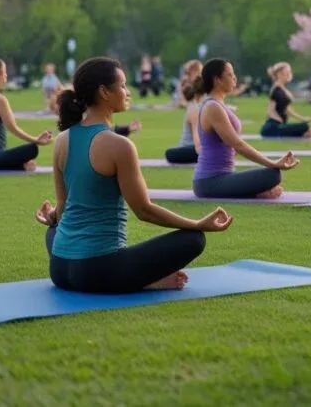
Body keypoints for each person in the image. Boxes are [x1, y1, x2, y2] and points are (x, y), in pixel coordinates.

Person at [34, 56, 233, 294]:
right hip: (97, 271)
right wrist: (197, 224)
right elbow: (144, 210)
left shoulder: (62, 140)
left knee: (55, 230)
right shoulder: (119, 145)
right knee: (194, 239)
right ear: (104, 92)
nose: (127, 92)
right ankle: (143, 280)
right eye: (122, 86)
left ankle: (136, 278)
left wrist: (52, 216)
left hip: (59, 268)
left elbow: (63, 207)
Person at [193, 58, 299, 199]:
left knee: (272, 174)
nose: (235, 78)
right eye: (230, 74)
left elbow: (231, 146)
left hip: (222, 177)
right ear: (217, 79)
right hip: (210, 182)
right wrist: (272, 163)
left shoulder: (218, 105)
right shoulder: (212, 107)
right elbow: (237, 144)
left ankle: (256, 191)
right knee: (272, 174)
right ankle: (257, 193)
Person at [0, 58, 53, 171]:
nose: (6, 76)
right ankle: (20, 165)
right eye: (3, 73)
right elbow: (13, 128)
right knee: (32, 149)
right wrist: (36, 140)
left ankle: (20, 165)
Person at [260, 62, 311, 138]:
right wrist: (279, 120)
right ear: (279, 74)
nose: (290, 75)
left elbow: (287, 110)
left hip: (278, 126)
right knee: (305, 127)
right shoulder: (276, 89)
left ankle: (305, 135)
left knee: (308, 130)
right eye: (287, 72)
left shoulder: (282, 89)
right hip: (271, 128)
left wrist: (307, 119)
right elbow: (270, 110)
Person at [165, 81, 202, 164]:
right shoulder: (194, 107)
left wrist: (201, 152)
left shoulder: (194, 110)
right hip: (190, 147)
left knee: (169, 153)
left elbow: (197, 138)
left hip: (191, 147)